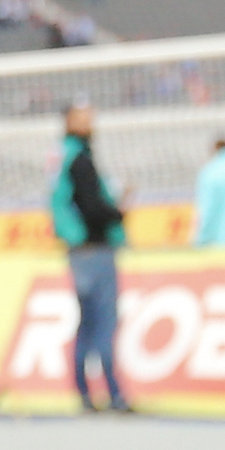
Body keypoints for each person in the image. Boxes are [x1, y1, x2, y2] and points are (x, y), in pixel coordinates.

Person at [52, 105, 130, 412]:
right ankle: (114, 394)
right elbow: (93, 205)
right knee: (104, 323)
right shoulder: (80, 159)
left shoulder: (60, 156)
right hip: (94, 249)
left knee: (86, 323)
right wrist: (118, 213)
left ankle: (83, 393)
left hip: (76, 250)